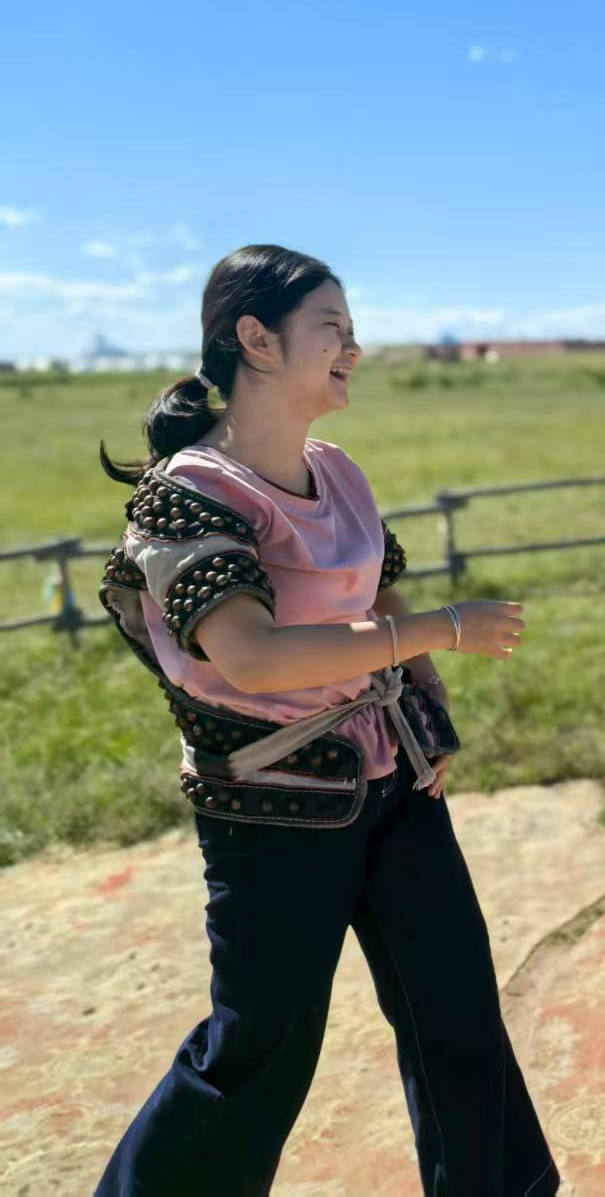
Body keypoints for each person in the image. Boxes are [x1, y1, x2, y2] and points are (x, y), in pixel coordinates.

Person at [93, 245, 559, 1196]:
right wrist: (448, 627)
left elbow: (380, 595)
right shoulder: (188, 492)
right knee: (260, 1052)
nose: (354, 347)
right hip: (270, 807)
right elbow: (252, 655)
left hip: (394, 784)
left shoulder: (338, 472)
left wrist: (429, 715)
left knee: (459, 1015)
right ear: (256, 340)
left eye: (352, 329)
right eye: (332, 328)